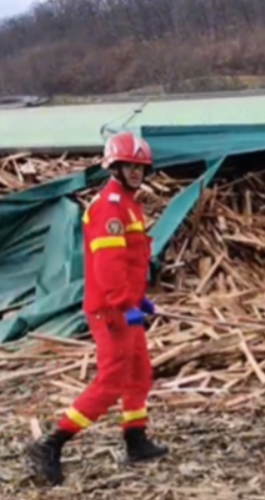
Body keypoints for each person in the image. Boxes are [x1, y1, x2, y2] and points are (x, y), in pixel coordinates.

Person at [26, 132, 168, 486]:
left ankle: (135, 440)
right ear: (114, 167)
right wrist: (125, 304)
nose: (136, 173)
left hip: (125, 306)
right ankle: (51, 443)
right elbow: (108, 267)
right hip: (111, 311)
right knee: (111, 382)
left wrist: (140, 300)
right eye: (129, 166)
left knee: (139, 374)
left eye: (140, 167)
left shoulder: (128, 204)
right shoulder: (110, 207)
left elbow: (131, 261)